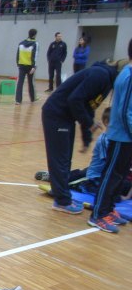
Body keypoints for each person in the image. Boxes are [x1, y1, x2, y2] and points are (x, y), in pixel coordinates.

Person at [41, 59, 122, 214]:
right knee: (60, 160)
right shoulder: (100, 75)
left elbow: (89, 107)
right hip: (56, 114)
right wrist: (89, 123)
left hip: (66, 117)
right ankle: (62, 201)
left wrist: (86, 138)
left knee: (65, 160)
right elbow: (75, 99)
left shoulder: (106, 81)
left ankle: (62, 195)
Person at [89, 44, 132, 233]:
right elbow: (124, 112)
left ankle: (108, 210)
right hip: (122, 135)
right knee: (111, 175)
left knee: (120, 176)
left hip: (126, 136)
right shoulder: (129, 75)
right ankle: (98, 214)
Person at [15, 28, 39, 105]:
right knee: (31, 83)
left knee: (20, 83)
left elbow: (18, 54)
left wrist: (18, 64)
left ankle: (18, 100)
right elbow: (35, 55)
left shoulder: (21, 43)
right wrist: (34, 66)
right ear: (35, 35)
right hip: (30, 66)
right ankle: (32, 99)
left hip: (21, 65)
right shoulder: (35, 44)